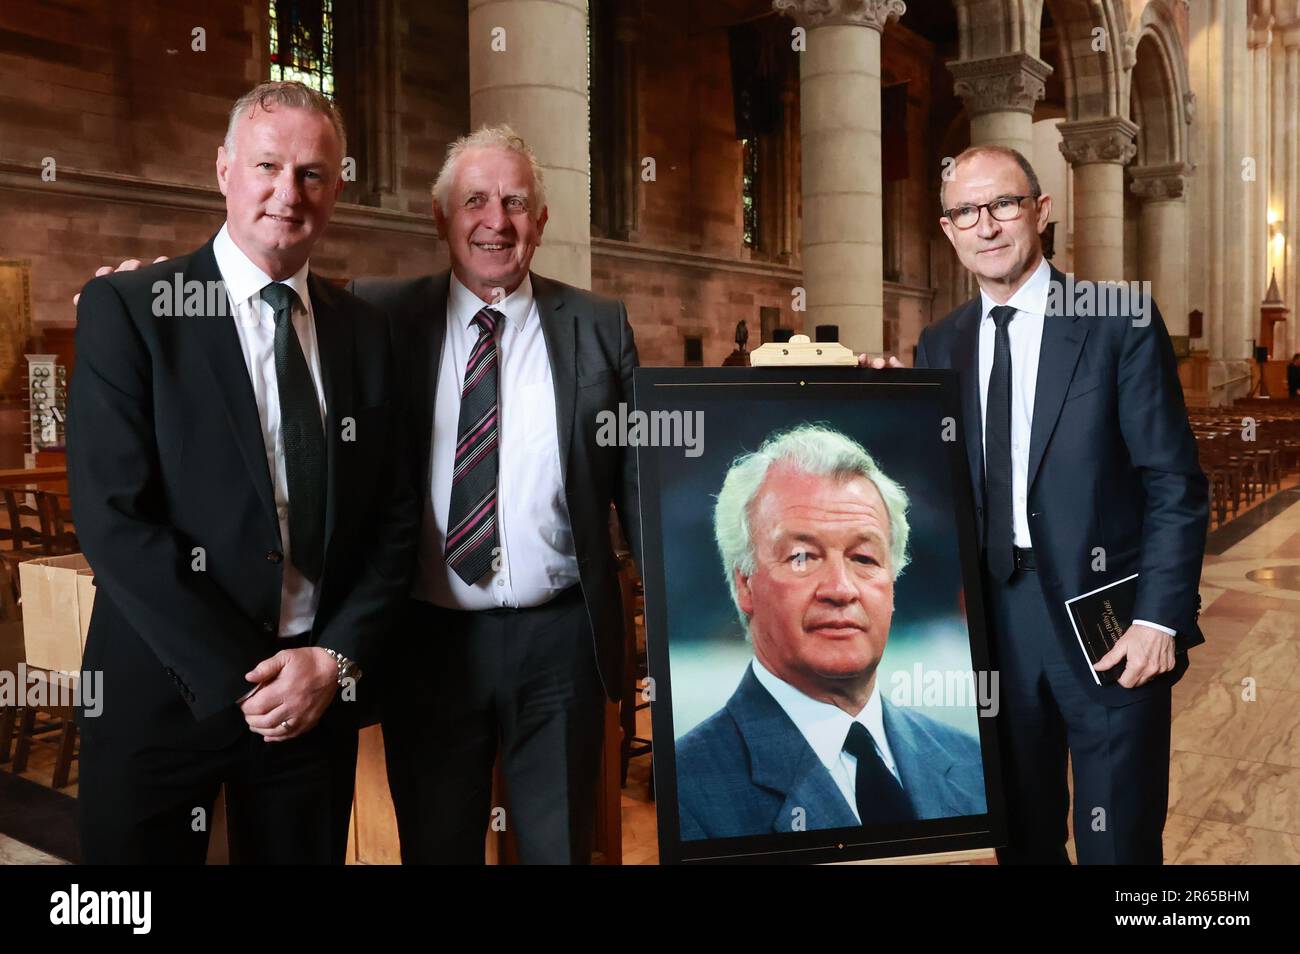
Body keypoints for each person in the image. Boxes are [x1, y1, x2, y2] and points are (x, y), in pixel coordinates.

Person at [67, 81, 419, 864]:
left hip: (310, 701)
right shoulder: (131, 308)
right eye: (267, 166)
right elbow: (113, 519)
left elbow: (395, 518)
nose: (287, 194)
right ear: (224, 168)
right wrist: (247, 681)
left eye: (312, 174)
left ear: (338, 186)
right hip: (162, 693)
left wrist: (330, 662)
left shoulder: (366, 333)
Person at [866, 145, 1208, 864]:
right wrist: (883, 411)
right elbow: (931, 488)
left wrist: (1158, 618)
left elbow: (1174, 483)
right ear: (948, 229)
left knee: (1118, 844)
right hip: (991, 622)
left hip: (1107, 618)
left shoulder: (1116, 319)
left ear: (1041, 211)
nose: (985, 225)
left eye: (1003, 204)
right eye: (966, 211)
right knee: (1021, 838)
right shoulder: (941, 343)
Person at [349, 126, 640, 864]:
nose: (496, 221)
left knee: (560, 850)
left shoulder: (600, 326)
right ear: (440, 218)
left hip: (561, 643)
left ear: (539, 222)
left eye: (515, 202)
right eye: (475, 201)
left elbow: (638, 487)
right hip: (428, 642)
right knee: (438, 847)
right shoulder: (376, 317)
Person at [674, 425, 986, 841]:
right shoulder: (688, 792)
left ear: (892, 582)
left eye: (863, 557)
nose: (841, 589)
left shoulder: (971, 764)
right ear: (746, 584)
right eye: (802, 557)